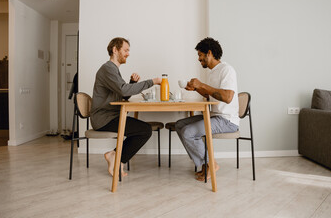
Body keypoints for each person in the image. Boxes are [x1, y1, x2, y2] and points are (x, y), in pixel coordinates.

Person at [90, 37, 161, 177]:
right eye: (126, 50)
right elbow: (124, 91)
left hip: (110, 116)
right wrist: (152, 81)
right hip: (104, 119)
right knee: (145, 130)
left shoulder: (113, 70)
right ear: (115, 50)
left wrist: (131, 83)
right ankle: (116, 157)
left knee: (143, 130)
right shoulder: (107, 69)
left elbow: (123, 94)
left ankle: (115, 157)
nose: (128, 53)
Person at [175, 37, 239, 181]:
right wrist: (196, 88)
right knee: (180, 125)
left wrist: (202, 85)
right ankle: (205, 165)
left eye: (200, 55)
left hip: (227, 119)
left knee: (188, 132)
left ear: (209, 53)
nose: (199, 59)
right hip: (214, 116)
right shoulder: (212, 73)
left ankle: (211, 164)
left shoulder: (226, 70)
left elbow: (228, 97)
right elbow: (211, 95)